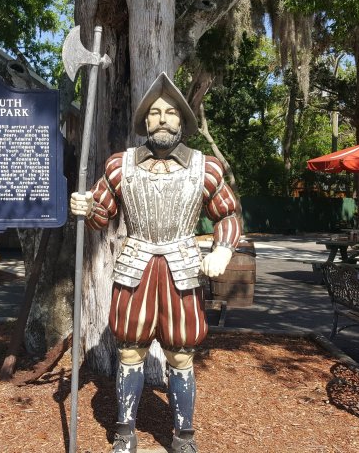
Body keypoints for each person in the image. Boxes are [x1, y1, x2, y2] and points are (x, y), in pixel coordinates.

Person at [70, 72, 242, 453]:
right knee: (130, 351)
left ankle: (183, 436)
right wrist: (86, 207)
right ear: (144, 121)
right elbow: (102, 215)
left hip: (183, 268)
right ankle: (125, 432)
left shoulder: (205, 168)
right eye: (154, 113)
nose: (162, 119)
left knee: (181, 354)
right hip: (135, 267)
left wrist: (223, 250)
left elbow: (228, 214)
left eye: (170, 113)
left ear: (183, 120)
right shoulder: (121, 166)